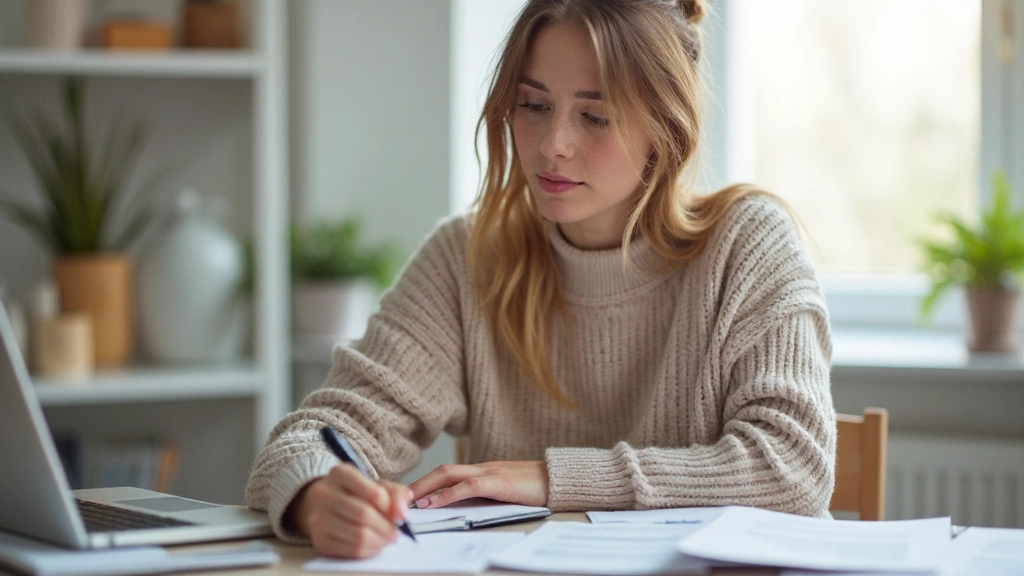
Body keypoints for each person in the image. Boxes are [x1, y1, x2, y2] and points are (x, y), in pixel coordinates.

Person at [246, 0, 836, 559]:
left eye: (595, 115)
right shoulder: (467, 258)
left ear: (666, 126)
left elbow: (792, 469)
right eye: (533, 105)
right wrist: (315, 497)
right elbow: (314, 437)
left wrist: (553, 478)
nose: (553, 145)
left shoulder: (748, 244)